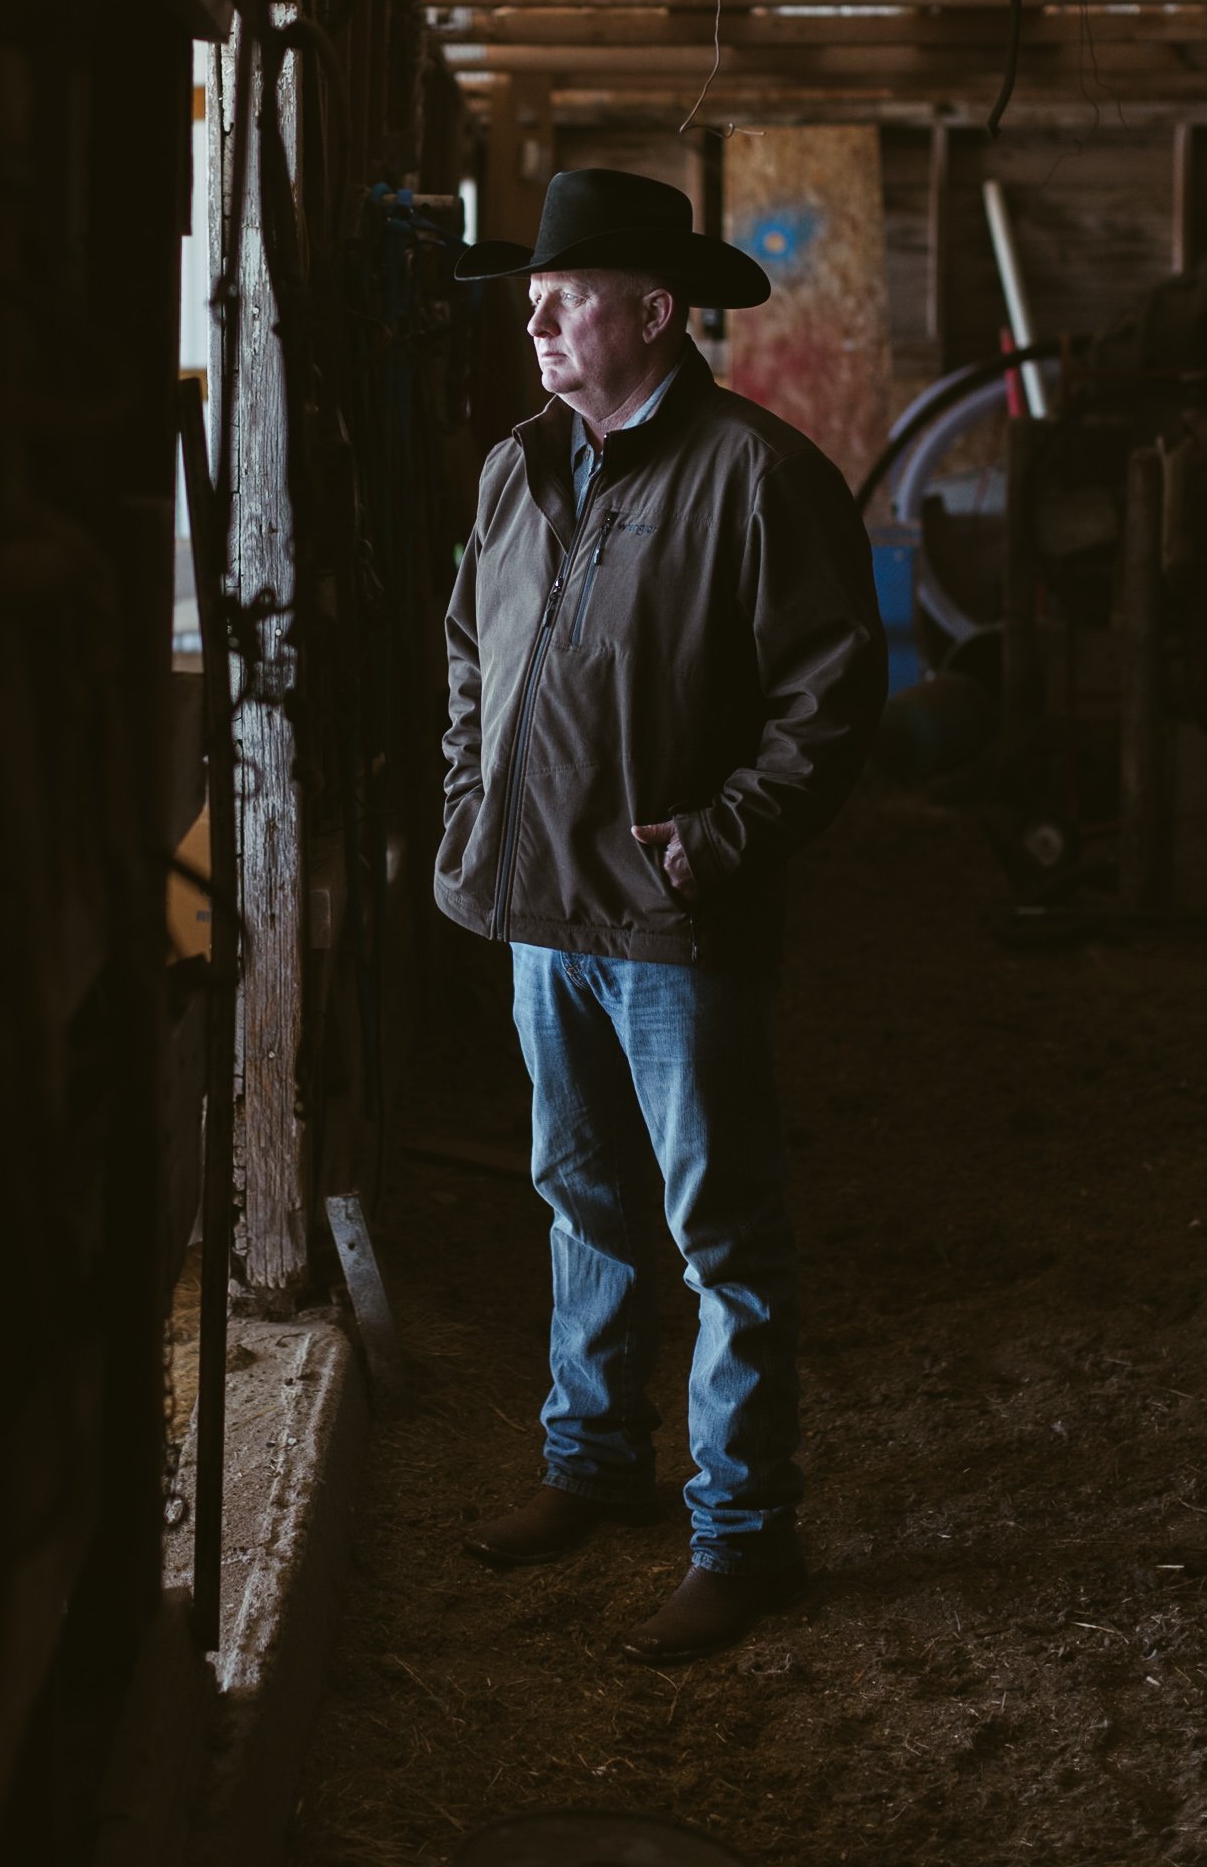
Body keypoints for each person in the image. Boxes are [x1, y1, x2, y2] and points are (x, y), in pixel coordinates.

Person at [436, 166, 887, 1662]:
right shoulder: (518, 469)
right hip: (542, 913)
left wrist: (721, 843)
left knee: (720, 1237)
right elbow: (469, 659)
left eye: (569, 306)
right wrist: (470, 812)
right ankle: (596, 1468)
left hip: (676, 926)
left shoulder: (757, 478)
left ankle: (746, 1532)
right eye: (534, 306)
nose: (541, 329)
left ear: (656, 313)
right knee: (580, 1203)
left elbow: (830, 698)